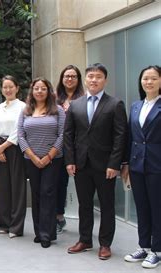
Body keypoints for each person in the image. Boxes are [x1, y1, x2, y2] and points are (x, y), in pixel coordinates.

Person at [65, 63, 127, 260]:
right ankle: (85, 240)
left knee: (107, 205)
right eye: (90, 76)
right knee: (84, 204)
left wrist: (114, 164)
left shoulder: (115, 104)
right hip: (81, 164)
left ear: (105, 80)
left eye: (98, 76)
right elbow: (68, 135)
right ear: (85, 79)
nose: (94, 80)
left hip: (105, 165)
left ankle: (105, 244)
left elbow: (120, 137)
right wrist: (70, 160)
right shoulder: (76, 105)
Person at [17, 77, 65, 248]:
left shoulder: (57, 110)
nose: (39, 91)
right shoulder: (26, 111)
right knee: (36, 194)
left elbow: (62, 135)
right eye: (36, 88)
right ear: (32, 91)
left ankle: (47, 234)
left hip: (52, 160)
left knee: (48, 193)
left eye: (43, 88)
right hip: (31, 160)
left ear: (48, 91)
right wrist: (33, 156)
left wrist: (48, 156)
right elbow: (21, 136)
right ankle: (39, 231)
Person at [122, 65, 161, 269]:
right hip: (137, 164)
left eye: (154, 78)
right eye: (145, 78)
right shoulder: (136, 105)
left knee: (157, 208)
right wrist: (126, 163)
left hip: (157, 164)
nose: (149, 82)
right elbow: (130, 137)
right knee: (142, 207)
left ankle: (157, 250)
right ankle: (144, 246)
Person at [0, 75, 26, 238]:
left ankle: (16, 227)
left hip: (15, 148)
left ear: (17, 88)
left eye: (11, 86)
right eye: (5, 87)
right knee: (3, 187)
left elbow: (20, 129)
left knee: (17, 187)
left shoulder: (23, 107)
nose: (8, 90)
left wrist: (4, 146)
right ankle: (4, 224)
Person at [54, 65, 85, 233]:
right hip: (59, 146)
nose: (70, 79)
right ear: (62, 79)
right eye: (66, 76)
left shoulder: (84, 98)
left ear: (78, 79)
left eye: (73, 76)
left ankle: (85, 221)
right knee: (60, 182)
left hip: (79, 146)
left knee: (82, 183)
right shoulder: (55, 98)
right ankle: (59, 215)